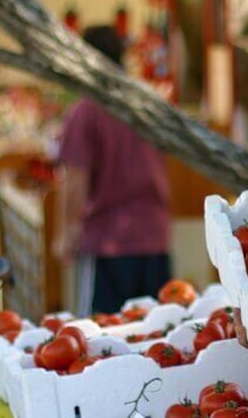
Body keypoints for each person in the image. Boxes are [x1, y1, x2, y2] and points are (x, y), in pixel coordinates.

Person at [52, 25, 172, 316]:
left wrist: (67, 232)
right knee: (158, 334)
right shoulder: (146, 101)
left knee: (101, 340)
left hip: (108, 242)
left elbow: (76, 180)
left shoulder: (86, 110)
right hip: (154, 236)